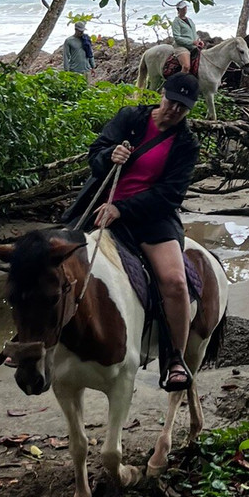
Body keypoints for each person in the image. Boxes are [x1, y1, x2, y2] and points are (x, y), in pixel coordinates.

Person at [61, 72, 201, 392]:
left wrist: (123, 209)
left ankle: (175, 358)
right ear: (161, 94)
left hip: (152, 217)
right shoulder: (131, 118)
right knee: (54, 257)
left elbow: (170, 194)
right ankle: (33, 339)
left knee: (175, 282)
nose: (174, 110)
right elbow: (95, 153)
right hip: (102, 205)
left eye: (183, 107)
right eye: (171, 102)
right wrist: (108, 155)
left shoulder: (186, 144)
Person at [171, 0, 204, 74]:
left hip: (193, 46)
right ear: (178, 10)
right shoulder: (176, 22)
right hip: (181, 47)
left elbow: (194, 33)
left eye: (185, 8)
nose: (184, 10)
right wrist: (191, 42)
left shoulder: (189, 20)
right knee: (186, 66)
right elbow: (177, 38)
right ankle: (180, 82)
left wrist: (199, 41)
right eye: (182, 8)